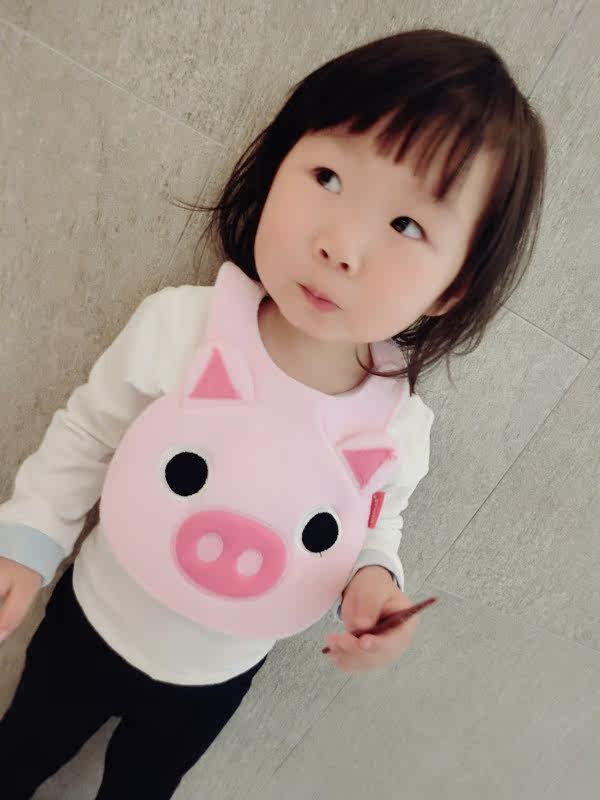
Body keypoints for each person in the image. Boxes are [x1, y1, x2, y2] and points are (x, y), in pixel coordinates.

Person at [0, 28, 546, 800]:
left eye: (407, 226)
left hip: (215, 678)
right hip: (92, 620)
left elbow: (374, 522)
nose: (341, 245)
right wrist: (28, 539)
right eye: (328, 176)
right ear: (278, 162)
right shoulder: (185, 325)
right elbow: (90, 431)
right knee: (18, 754)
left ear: (452, 288)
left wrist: (374, 584)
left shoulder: (396, 424)